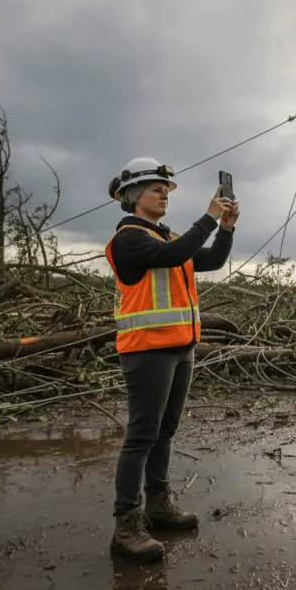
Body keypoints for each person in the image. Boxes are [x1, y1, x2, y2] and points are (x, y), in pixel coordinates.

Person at [104, 157, 239, 562]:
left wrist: (226, 229)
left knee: (165, 432)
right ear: (132, 197)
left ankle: (159, 507)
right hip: (147, 351)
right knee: (142, 436)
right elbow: (179, 251)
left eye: (166, 189)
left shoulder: (167, 238)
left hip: (180, 347)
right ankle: (126, 526)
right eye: (155, 189)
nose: (164, 193)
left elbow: (209, 260)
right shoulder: (130, 238)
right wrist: (210, 218)